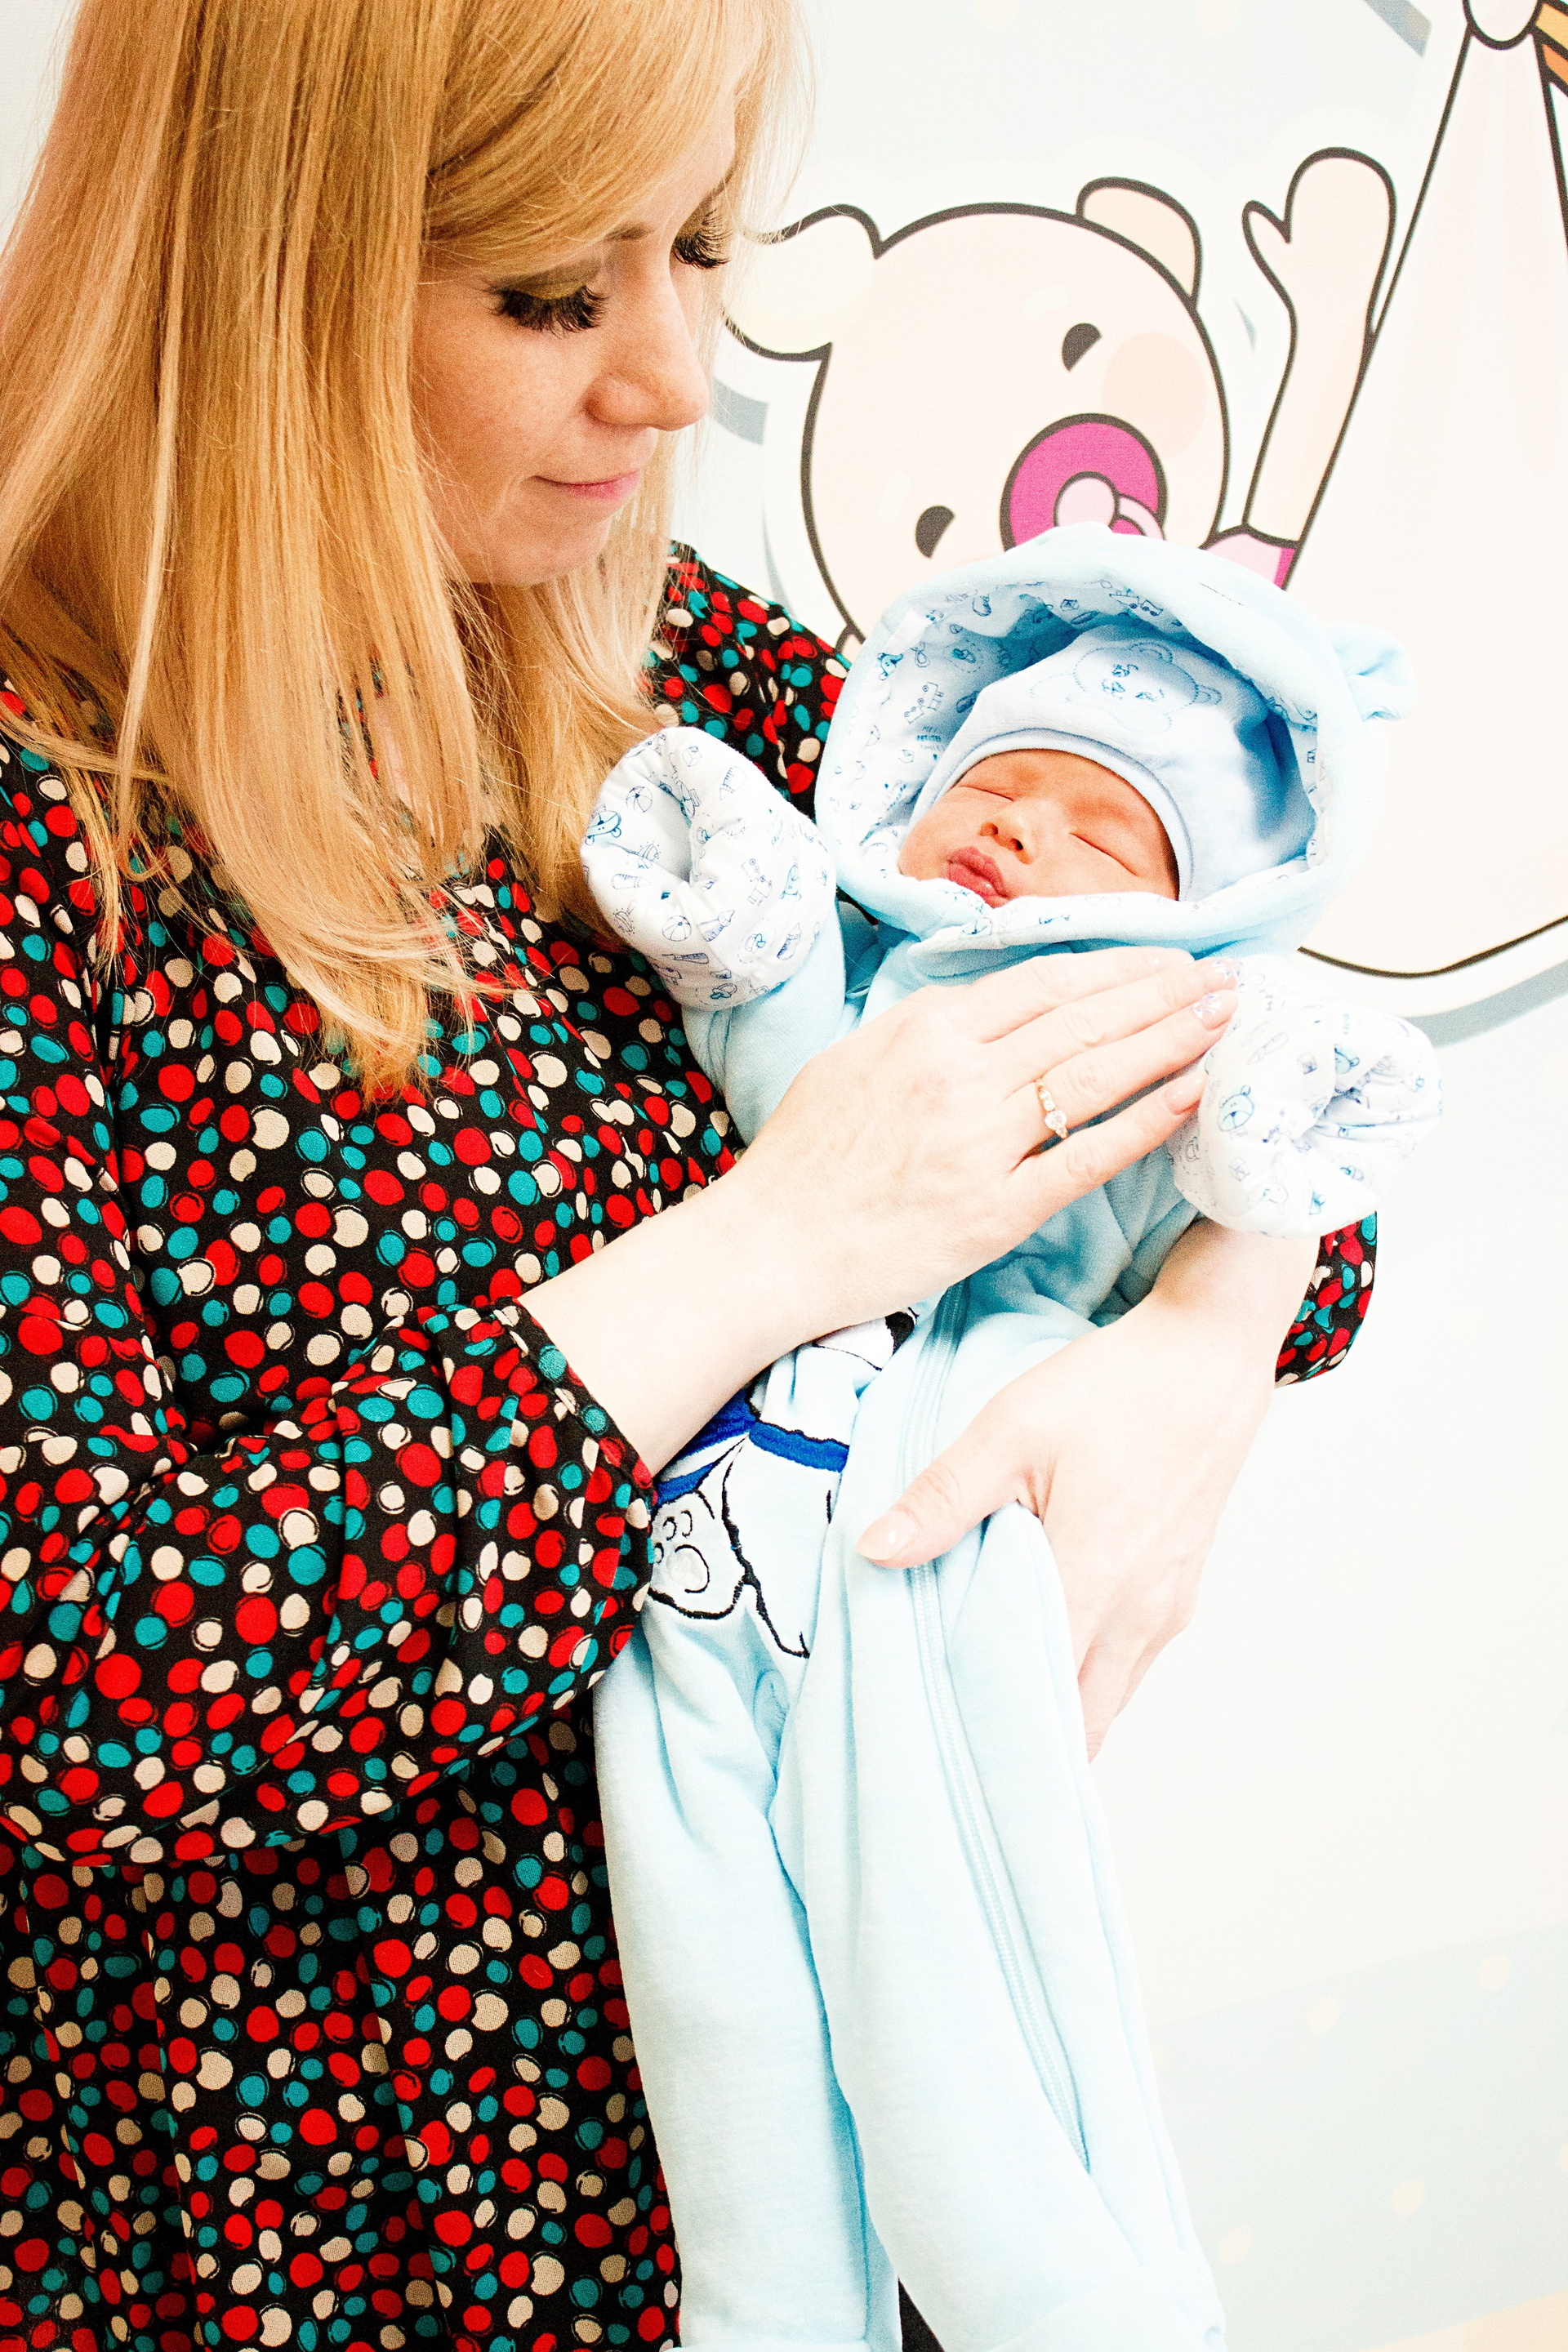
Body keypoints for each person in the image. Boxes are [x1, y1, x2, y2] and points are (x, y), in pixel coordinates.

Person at [0, 6, 1374, 2350]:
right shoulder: (58, 826)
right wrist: (780, 1244)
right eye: (556, 291)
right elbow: (88, 1693)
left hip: (829, 2142)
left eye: (701, 251)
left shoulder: (657, 675)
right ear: (264, 270)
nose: (667, 379)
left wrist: (1203, 1350)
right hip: (333, 2234)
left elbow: (1237, 1079)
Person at [581, 537, 1437, 2352]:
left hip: (929, 1539)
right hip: (703, 1567)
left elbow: (1295, 1202)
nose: (1021, 829)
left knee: (960, 1974)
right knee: (716, 1993)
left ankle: (1072, 2304)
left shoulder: (1152, 1025)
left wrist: (1237, 1242)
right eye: (993, 785)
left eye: (1103, 832)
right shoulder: (866, 971)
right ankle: (769, 2314)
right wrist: (731, 902)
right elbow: (761, 1010)